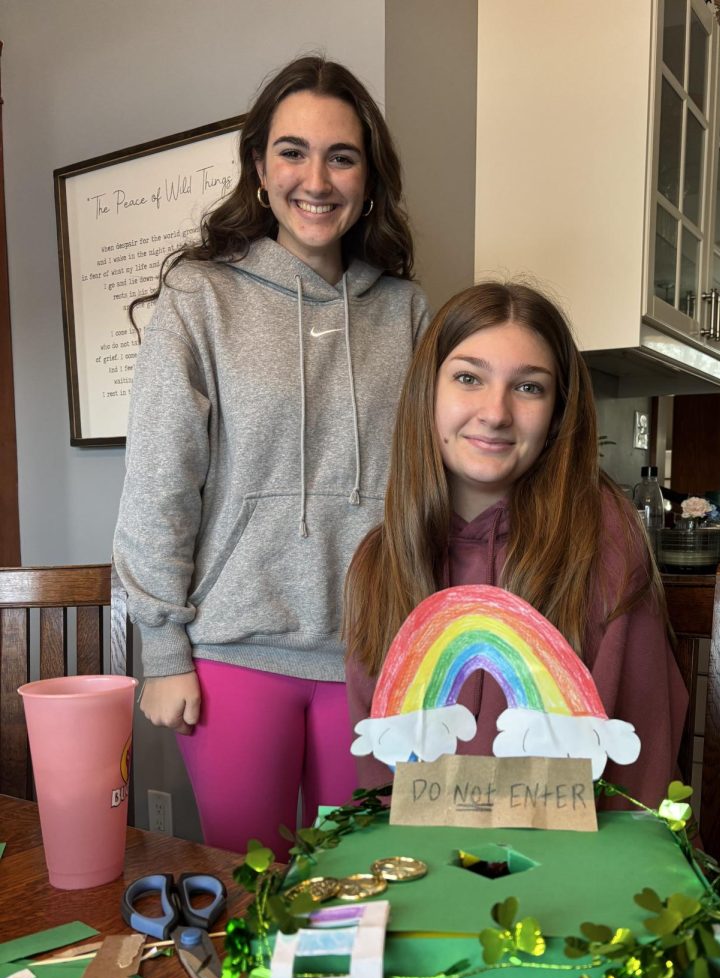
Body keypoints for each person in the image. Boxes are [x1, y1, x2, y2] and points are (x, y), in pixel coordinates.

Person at [114, 56, 429, 853]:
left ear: (369, 178)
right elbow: (160, 483)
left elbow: (443, 479)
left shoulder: (409, 311)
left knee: (357, 897)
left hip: (373, 652)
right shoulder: (200, 296)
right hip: (234, 652)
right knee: (250, 896)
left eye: (342, 155)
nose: (315, 178)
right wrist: (162, 648)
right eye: (292, 151)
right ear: (260, 168)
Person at [344, 282, 687, 807]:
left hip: (578, 868)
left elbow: (641, 768)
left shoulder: (603, 538)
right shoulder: (378, 563)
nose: (496, 412)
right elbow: (382, 784)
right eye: (468, 377)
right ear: (426, 394)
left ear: (556, 415)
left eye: (529, 388)